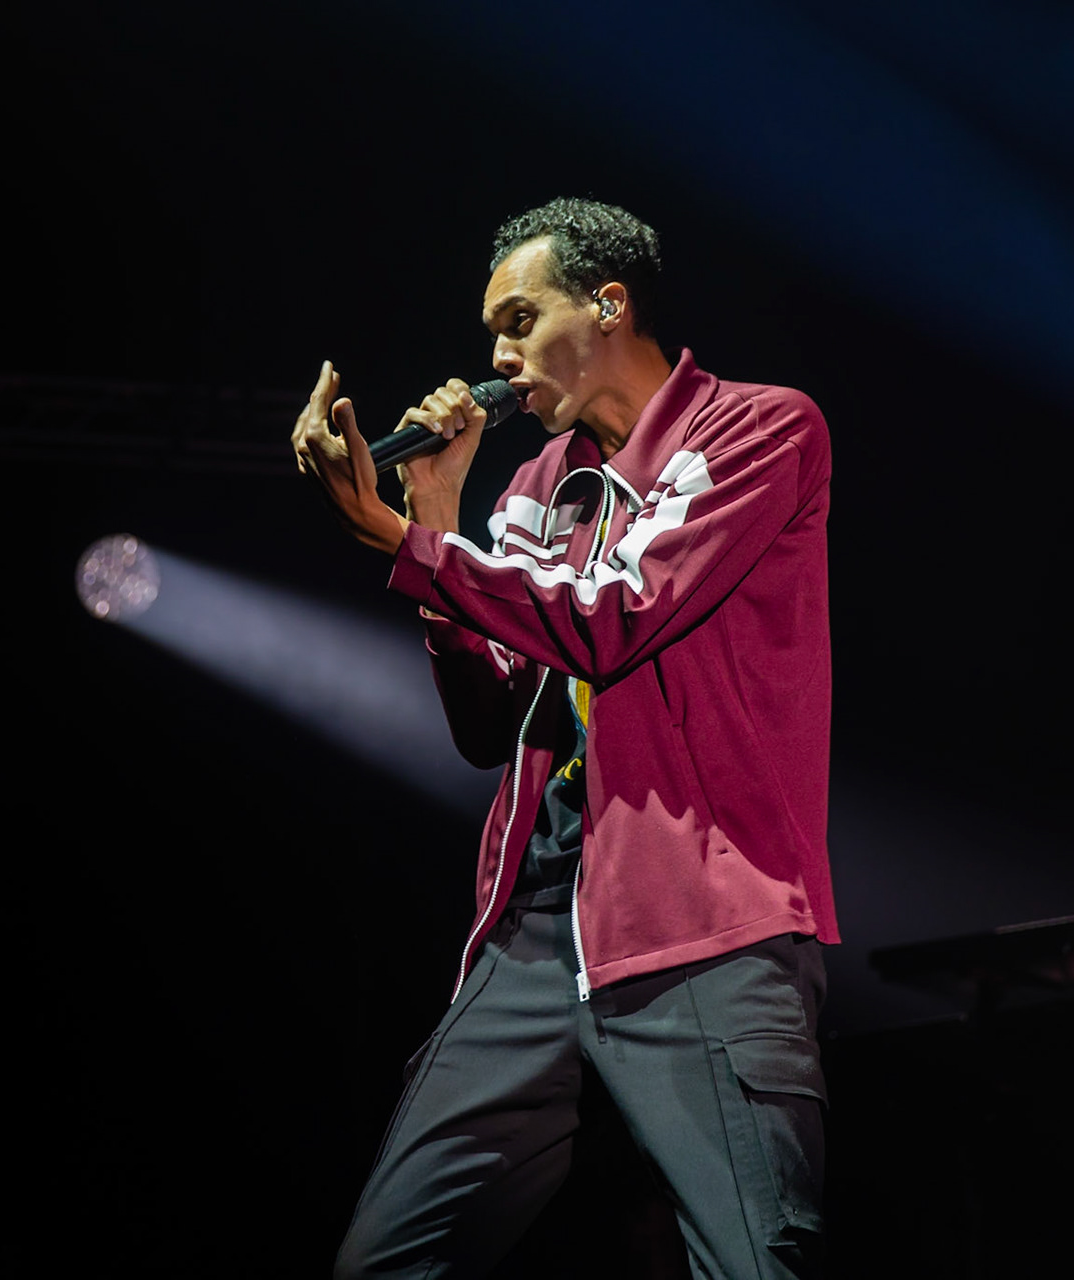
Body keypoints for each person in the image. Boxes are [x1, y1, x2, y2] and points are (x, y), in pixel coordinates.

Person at [292, 197, 839, 1279]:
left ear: (608, 305)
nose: (494, 356)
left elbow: (616, 621)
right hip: (536, 930)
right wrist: (438, 520)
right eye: (492, 332)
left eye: (517, 319)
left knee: (756, 1263)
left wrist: (404, 543)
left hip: (701, 926)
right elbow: (489, 726)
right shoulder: (540, 489)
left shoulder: (760, 428)